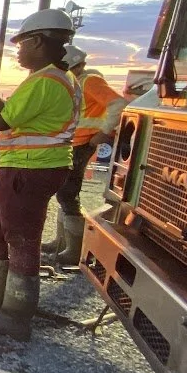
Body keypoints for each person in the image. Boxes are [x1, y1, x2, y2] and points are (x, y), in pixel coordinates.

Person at [0, 9, 81, 341]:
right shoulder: (52, 79)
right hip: (22, 167)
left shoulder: (48, 81)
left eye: (21, 43)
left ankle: (15, 316)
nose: (17, 50)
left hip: (31, 169)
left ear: (38, 42)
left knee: (20, 241)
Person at [44, 45, 128, 266]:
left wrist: (103, 132)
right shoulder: (79, 83)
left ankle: (74, 250)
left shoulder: (90, 81)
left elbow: (118, 104)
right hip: (76, 143)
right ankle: (62, 243)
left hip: (83, 143)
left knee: (68, 194)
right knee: (64, 193)